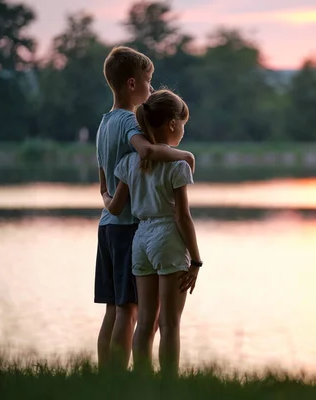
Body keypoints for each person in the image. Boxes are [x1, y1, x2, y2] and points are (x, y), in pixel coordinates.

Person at [95, 47, 195, 371]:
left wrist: (106, 198)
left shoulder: (103, 123)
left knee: (113, 308)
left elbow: (104, 177)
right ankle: (119, 380)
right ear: (131, 83)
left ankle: (105, 375)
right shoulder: (127, 122)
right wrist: (184, 157)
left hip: (107, 221)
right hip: (127, 225)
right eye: (148, 82)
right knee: (129, 311)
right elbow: (148, 150)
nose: (151, 89)